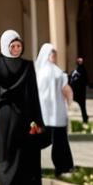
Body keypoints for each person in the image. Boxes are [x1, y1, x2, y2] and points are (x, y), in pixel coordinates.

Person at [0, 30, 45, 185]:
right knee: (23, 159)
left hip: (3, 118)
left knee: (5, 159)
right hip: (23, 118)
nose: (16, 49)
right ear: (7, 46)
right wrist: (37, 121)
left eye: (18, 46)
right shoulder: (28, 67)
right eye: (14, 46)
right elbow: (33, 96)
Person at [35, 43, 74, 176]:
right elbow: (66, 90)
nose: (54, 56)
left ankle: (62, 166)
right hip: (54, 115)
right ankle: (63, 166)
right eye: (52, 54)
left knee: (44, 141)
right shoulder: (56, 72)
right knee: (58, 142)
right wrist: (70, 104)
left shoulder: (41, 72)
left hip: (48, 115)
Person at [69, 56, 89, 123]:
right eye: (79, 61)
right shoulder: (75, 71)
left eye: (81, 61)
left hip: (81, 91)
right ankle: (85, 117)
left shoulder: (83, 70)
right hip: (75, 91)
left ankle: (85, 118)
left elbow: (85, 80)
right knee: (82, 106)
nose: (80, 62)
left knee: (83, 106)